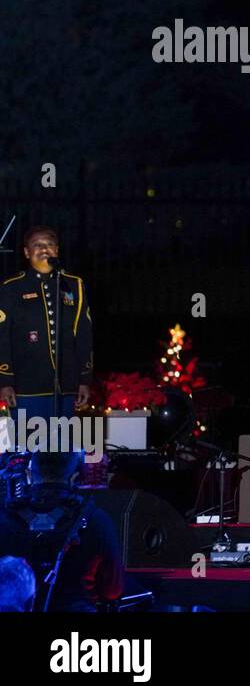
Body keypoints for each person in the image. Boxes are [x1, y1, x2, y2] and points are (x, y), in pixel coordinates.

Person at [0, 452, 124, 612]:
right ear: (76, 477)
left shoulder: (5, 519)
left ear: (29, 474)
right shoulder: (95, 519)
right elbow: (112, 590)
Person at [0, 225, 93, 420]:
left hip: (66, 386)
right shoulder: (12, 287)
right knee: (29, 446)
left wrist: (84, 378)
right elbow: (2, 337)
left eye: (50, 245)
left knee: (63, 446)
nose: (44, 249)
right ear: (27, 252)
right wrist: (5, 381)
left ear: (57, 250)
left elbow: (83, 334)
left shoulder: (73, 285)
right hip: (26, 386)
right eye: (37, 245)